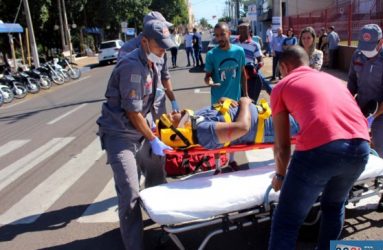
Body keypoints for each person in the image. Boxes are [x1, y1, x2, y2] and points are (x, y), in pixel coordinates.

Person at [269, 46, 370, 250]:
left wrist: (280, 176)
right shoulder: (333, 80)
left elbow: (282, 146)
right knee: (334, 206)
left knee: (286, 221)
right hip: (360, 147)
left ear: (284, 67)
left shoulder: (282, 86)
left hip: (321, 150)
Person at [96, 12, 175, 250]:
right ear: (144, 42)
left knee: (157, 176)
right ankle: (134, 245)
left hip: (143, 128)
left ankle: (160, 225)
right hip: (120, 135)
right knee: (130, 192)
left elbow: (154, 97)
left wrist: (161, 124)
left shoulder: (155, 59)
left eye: (164, 47)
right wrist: (153, 139)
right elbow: (132, 112)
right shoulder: (131, 66)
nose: (162, 52)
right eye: (159, 47)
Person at [347, 24, 383, 211]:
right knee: (354, 145)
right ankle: (357, 180)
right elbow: (351, 86)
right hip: (362, 107)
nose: (365, 52)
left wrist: (373, 118)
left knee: (380, 144)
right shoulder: (358, 55)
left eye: (370, 48)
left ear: (380, 42)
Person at [157, 97, 299, 149]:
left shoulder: (194, 119)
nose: (171, 112)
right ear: (174, 129)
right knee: (310, 120)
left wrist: (222, 101)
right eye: (168, 117)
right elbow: (242, 128)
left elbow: (220, 115)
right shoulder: (202, 131)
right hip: (270, 125)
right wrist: (244, 103)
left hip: (265, 113)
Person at [204, 22, 248, 105]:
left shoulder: (239, 51)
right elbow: (207, 76)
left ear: (229, 34)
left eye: (222, 34)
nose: (219, 38)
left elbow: (243, 74)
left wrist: (246, 95)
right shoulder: (211, 54)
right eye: (216, 35)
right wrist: (209, 81)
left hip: (235, 102)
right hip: (218, 103)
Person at [233, 18, 270, 102]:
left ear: (249, 29)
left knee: (251, 102)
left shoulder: (254, 44)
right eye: (241, 28)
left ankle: (274, 94)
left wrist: (256, 68)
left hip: (250, 75)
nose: (242, 30)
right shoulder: (233, 43)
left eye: (245, 27)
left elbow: (261, 60)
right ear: (238, 29)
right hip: (236, 76)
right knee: (236, 103)